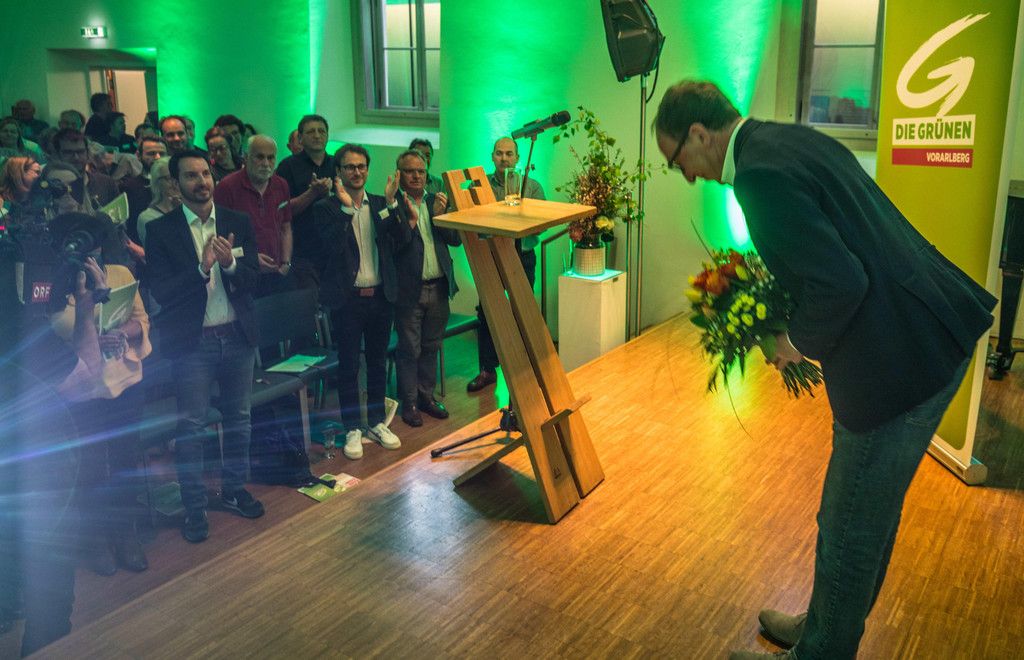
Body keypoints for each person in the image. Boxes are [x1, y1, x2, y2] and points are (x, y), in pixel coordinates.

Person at [652, 80, 996, 660]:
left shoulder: (758, 177)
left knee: (850, 524)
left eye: (676, 160)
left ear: (700, 134)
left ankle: (821, 650)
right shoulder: (783, 140)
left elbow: (842, 283)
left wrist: (790, 342)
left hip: (901, 360)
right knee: (866, 514)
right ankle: (824, 628)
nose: (685, 175)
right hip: (928, 328)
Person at [144, 149, 264, 543]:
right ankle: (194, 506)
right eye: (191, 176)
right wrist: (202, 268)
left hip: (237, 336)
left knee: (239, 420)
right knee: (192, 428)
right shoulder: (161, 231)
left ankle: (234, 489)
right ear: (176, 184)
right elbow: (162, 291)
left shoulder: (236, 221)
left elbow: (253, 279)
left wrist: (230, 265)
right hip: (193, 345)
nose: (202, 182)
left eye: (206, 174)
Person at [46, 213, 152, 576]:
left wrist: (123, 331)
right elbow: (53, 339)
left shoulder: (120, 274)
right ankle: (94, 539)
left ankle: (125, 533)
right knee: (89, 468)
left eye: (95, 246)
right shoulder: (54, 288)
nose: (92, 254)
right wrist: (90, 325)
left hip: (125, 383)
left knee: (125, 462)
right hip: (81, 391)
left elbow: (142, 319)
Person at [314, 144, 401, 458]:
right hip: (347, 301)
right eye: (350, 167)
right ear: (338, 171)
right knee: (349, 365)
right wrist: (347, 209)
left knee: (377, 361)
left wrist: (392, 203)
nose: (357, 172)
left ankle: (376, 422)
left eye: (361, 166)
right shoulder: (326, 208)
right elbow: (330, 247)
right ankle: (351, 427)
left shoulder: (378, 203)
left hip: (380, 297)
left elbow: (398, 240)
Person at [467, 136, 547, 393]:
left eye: (509, 154)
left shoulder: (532, 187)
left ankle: (524, 371)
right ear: (492, 156)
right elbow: (474, 220)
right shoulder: (481, 188)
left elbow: (540, 224)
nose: (504, 158)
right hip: (490, 257)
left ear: (518, 158)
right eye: (499, 153)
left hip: (522, 256)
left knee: (522, 310)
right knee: (487, 311)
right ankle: (487, 370)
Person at [389, 149, 458, 427]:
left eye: (421, 171)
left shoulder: (435, 201)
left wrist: (442, 218)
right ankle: (410, 403)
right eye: (410, 171)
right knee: (409, 349)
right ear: (399, 174)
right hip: (410, 290)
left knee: (431, 346)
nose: (416, 176)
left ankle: (426, 397)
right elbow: (393, 246)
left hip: (439, 285)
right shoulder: (392, 205)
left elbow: (455, 240)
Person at [214, 135, 293, 296]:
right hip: (244, 274)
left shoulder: (281, 185)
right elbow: (218, 236)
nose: (266, 163)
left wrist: (286, 263)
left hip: (278, 272)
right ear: (246, 157)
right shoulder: (226, 187)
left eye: (271, 158)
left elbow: (285, 227)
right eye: (260, 157)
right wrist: (251, 258)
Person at [275, 114, 334, 292]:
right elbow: (280, 210)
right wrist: (312, 193)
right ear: (300, 138)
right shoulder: (287, 166)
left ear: (327, 136)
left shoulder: (337, 164)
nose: (317, 135)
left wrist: (331, 194)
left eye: (321, 131)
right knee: (309, 302)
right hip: (302, 251)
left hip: (333, 249)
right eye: (311, 132)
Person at [52, 128, 118, 211]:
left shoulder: (106, 183)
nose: (76, 157)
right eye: (68, 152)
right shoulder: (48, 189)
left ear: (87, 153)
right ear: (57, 155)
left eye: (80, 152)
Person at [119, 135, 168, 242]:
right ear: (138, 155)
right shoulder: (128, 187)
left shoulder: (176, 185)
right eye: (151, 153)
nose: (158, 157)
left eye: (162, 153)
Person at [136, 156, 180, 247]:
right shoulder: (147, 217)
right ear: (157, 182)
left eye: (177, 177)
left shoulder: (192, 206)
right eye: (169, 178)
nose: (175, 183)